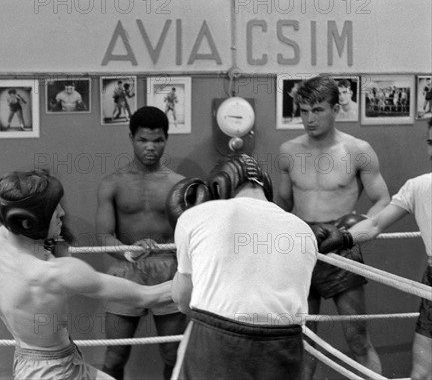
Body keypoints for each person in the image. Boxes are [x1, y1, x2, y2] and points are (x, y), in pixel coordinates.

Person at [0, 169, 173, 380]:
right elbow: (147, 296)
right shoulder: (57, 274)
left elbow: (19, 208)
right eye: (53, 210)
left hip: (33, 363)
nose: (62, 213)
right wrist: (205, 275)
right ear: (32, 222)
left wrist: (128, 253)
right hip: (54, 373)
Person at [278, 75, 390, 379]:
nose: (309, 119)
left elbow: (383, 199)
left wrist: (356, 231)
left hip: (342, 249)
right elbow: (282, 206)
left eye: (317, 110)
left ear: (335, 108)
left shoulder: (357, 150)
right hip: (302, 249)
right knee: (302, 341)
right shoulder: (288, 151)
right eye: (303, 111)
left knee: (357, 338)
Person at [169, 154, 318, 379]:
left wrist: (183, 254)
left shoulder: (196, 216)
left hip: (218, 338)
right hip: (284, 344)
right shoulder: (304, 231)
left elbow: (183, 301)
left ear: (218, 187)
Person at [314, 119, 432, 380]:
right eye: (430, 142)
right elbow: (376, 223)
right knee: (422, 374)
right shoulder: (419, 187)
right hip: (431, 281)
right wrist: (342, 239)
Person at [95, 106, 187, 380]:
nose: (150, 147)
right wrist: (128, 252)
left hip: (168, 271)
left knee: (174, 355)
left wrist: (169, 247)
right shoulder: (112, 183)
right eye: (143, 140)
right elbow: (104, 237)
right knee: (114, 357)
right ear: (131, 137)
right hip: (126, 271)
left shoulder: (179, 184)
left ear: (166, 140)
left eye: (157, 140)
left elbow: (188, 236)